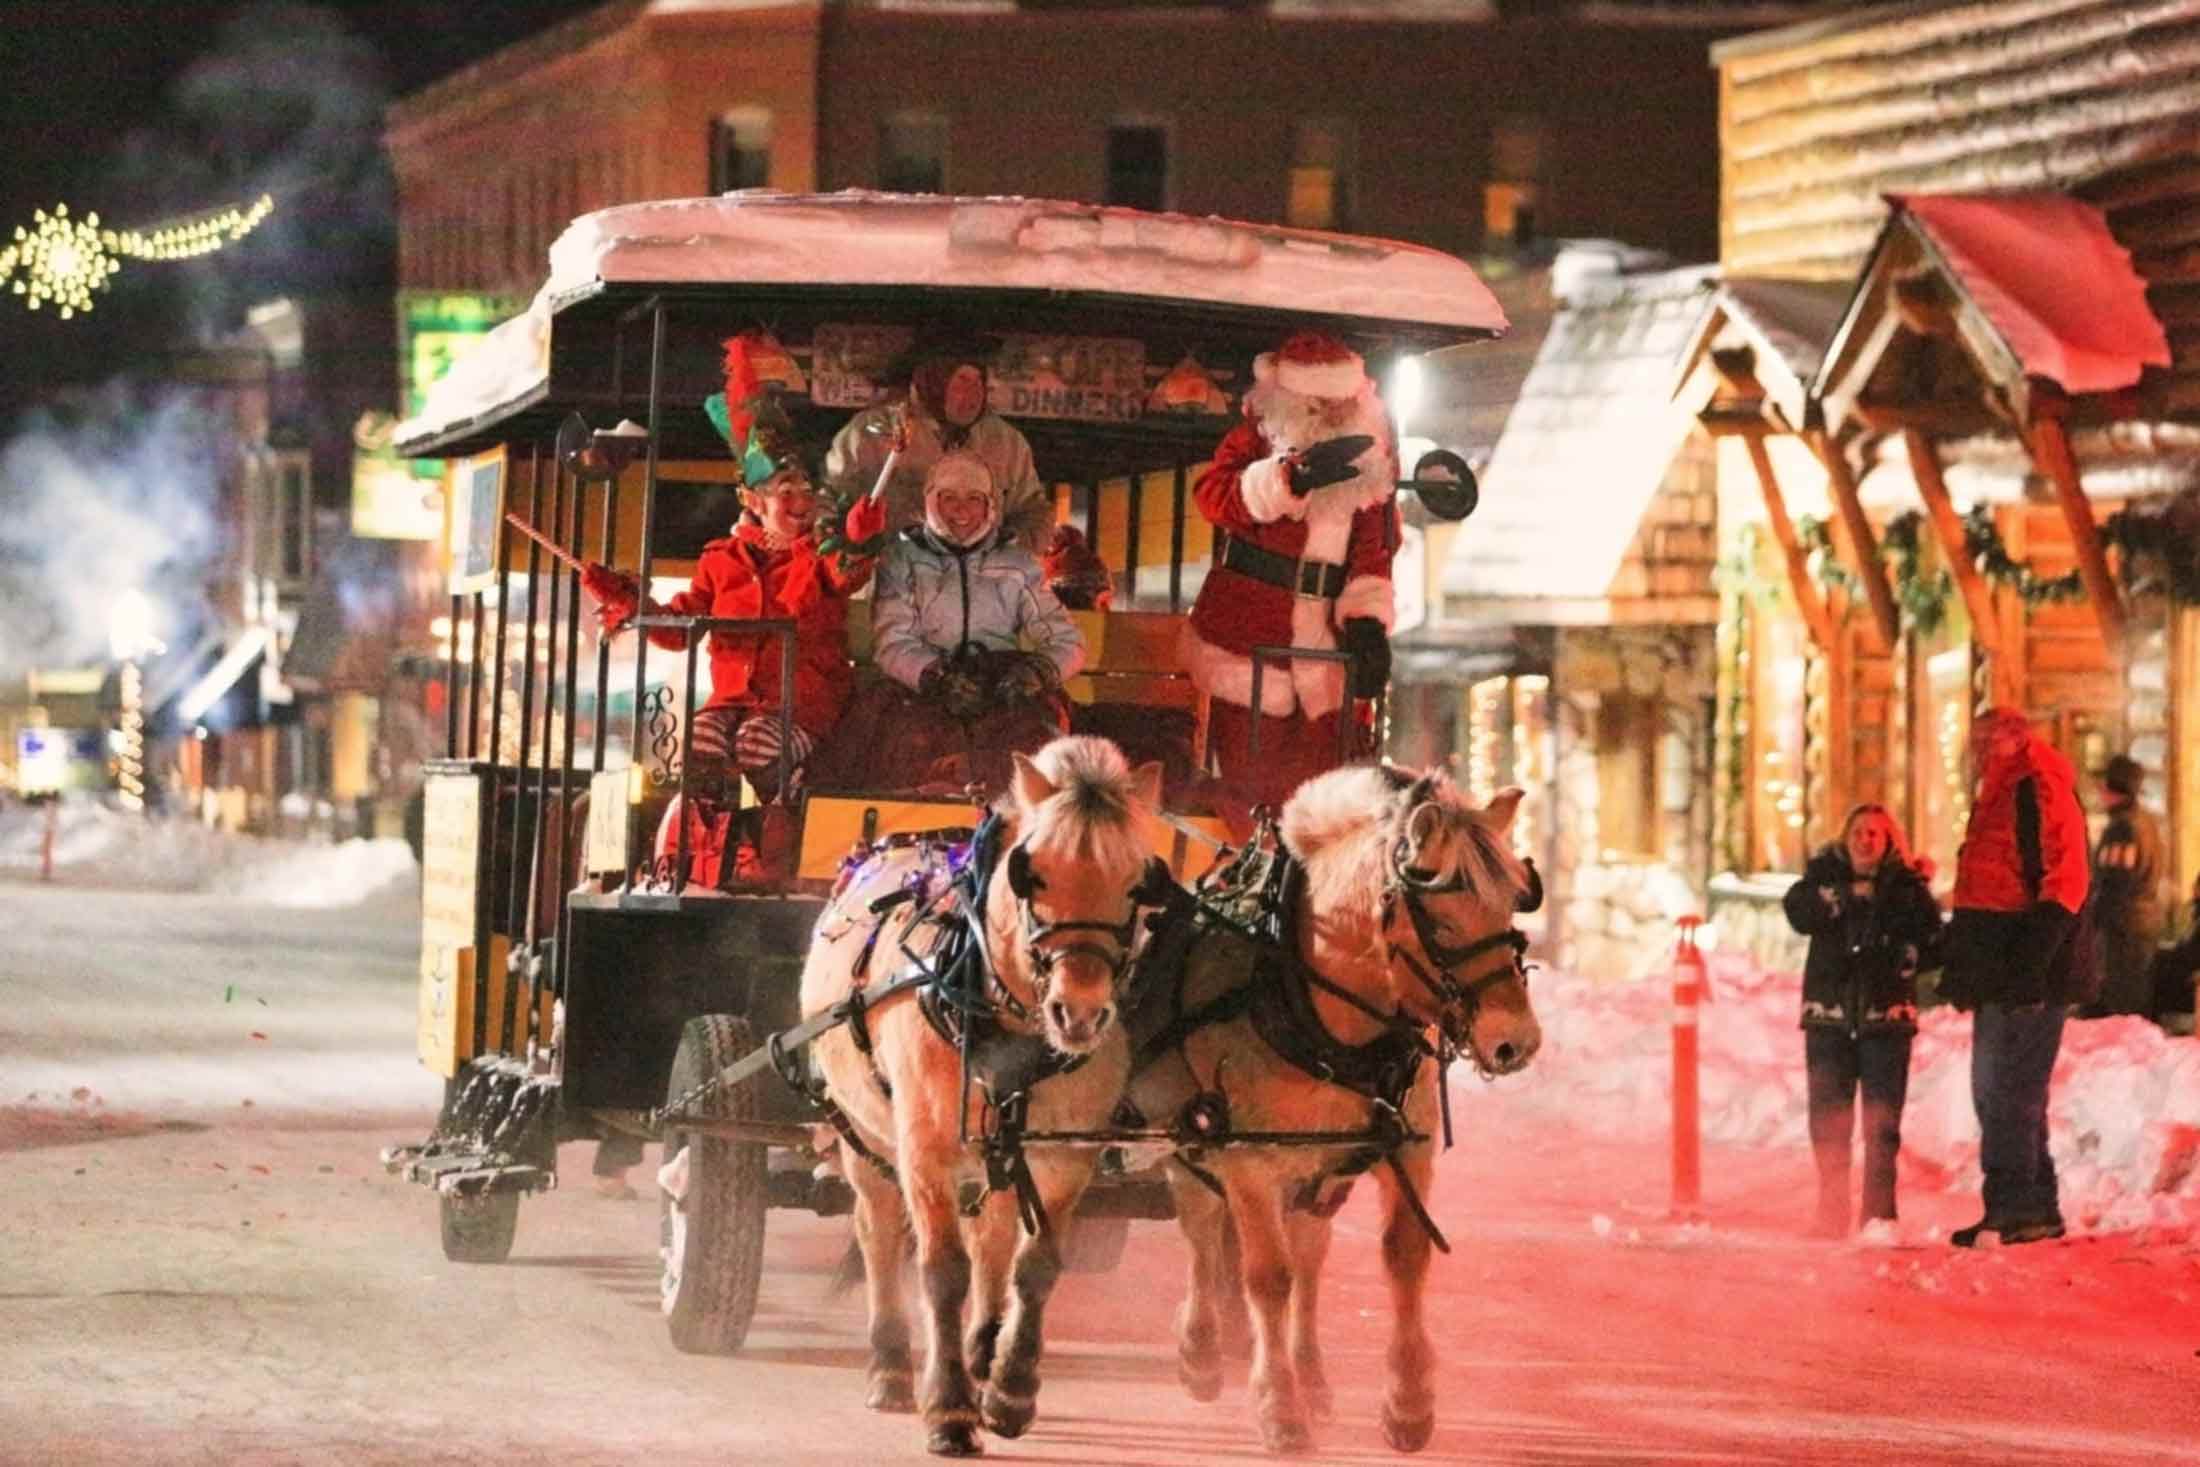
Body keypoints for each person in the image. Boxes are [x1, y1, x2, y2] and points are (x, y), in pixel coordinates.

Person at [580, 357, 884, 886]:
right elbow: (681, 626)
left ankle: (774, 849)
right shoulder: (720, 559)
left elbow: (846, 571)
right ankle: (705, 850)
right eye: (785, 490)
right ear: (752, 499)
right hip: (732, 701)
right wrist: (633, 604)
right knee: (700, 741)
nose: (800, 500)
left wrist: (858, 539)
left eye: (805, 489)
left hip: (803, 703)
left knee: (756, 746)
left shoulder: (820, 554)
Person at [1179, 330, 1399, 814]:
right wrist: (1282, 481)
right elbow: (1214, 495)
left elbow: (1376, 547)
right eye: (1323, 406)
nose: (1335, 417)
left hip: (1325, 649)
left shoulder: (1372, 456)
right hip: (1248, 640)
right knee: (1250, 786)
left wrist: (1367, 624)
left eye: (1343, 405)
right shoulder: (1256, 439)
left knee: (1330, 789)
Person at [817, 450, 1084, 793]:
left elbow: (1067, 640)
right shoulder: (903, 560)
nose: (962, 510)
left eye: (974, 499)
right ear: (930, 501)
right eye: (949, 498)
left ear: (990, 506)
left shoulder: (1017, 565)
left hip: (1000, 683)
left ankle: (1016, 821)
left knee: (1032, 738)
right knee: (910, 739)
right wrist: (933, 676)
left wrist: (1039, 671)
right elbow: (893, 640)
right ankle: (914, 825)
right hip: (926, 686)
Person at [1939, 707, 2094, 1246]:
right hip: (2004, 968)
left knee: (2006, 1089)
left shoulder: (2037, 786)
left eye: (1991, 740)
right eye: (1977, 740)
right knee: (2009, 1090)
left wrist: (2032, 962)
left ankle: (2010, 1207)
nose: (1980, 750)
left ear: (2016, 740)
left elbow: (2066, 877)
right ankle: (2034, 1206)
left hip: (2027, 968)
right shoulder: (2001, 791)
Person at [1782, 804, 1944, 1237]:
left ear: (1889, 841)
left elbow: (1931, 937)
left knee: (1882, 1124)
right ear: (1844, 835)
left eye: (1875, 832)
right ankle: (1831, 1212)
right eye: (1858, 830)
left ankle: (1878, 1216)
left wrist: (1904, 946)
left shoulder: (1905, 887)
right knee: (1829, 1122)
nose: (1865, 839)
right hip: (1829, 1018)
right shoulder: (1823, 878)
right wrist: (1838, 898)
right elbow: (1797, 911)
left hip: (1884, 1020)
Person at [823, 328, 1052, 551]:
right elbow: (827, 505)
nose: (974, 393)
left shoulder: (1006, 443)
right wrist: (849, 550)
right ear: (933, 381)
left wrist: (1007, 548)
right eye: (962, 380)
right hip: (894, 581)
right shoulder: (869, 435)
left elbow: (1033, 511)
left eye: (978, 381)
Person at [2085, 753, 2167, 1017]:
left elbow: (2115, 882)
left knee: (2123, 1003)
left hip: (2123, 926)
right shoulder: (2147, 822)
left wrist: (2093, 919)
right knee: (2136, 998)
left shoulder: (2123, 829)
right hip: (2142, 921)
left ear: (2113, 791)